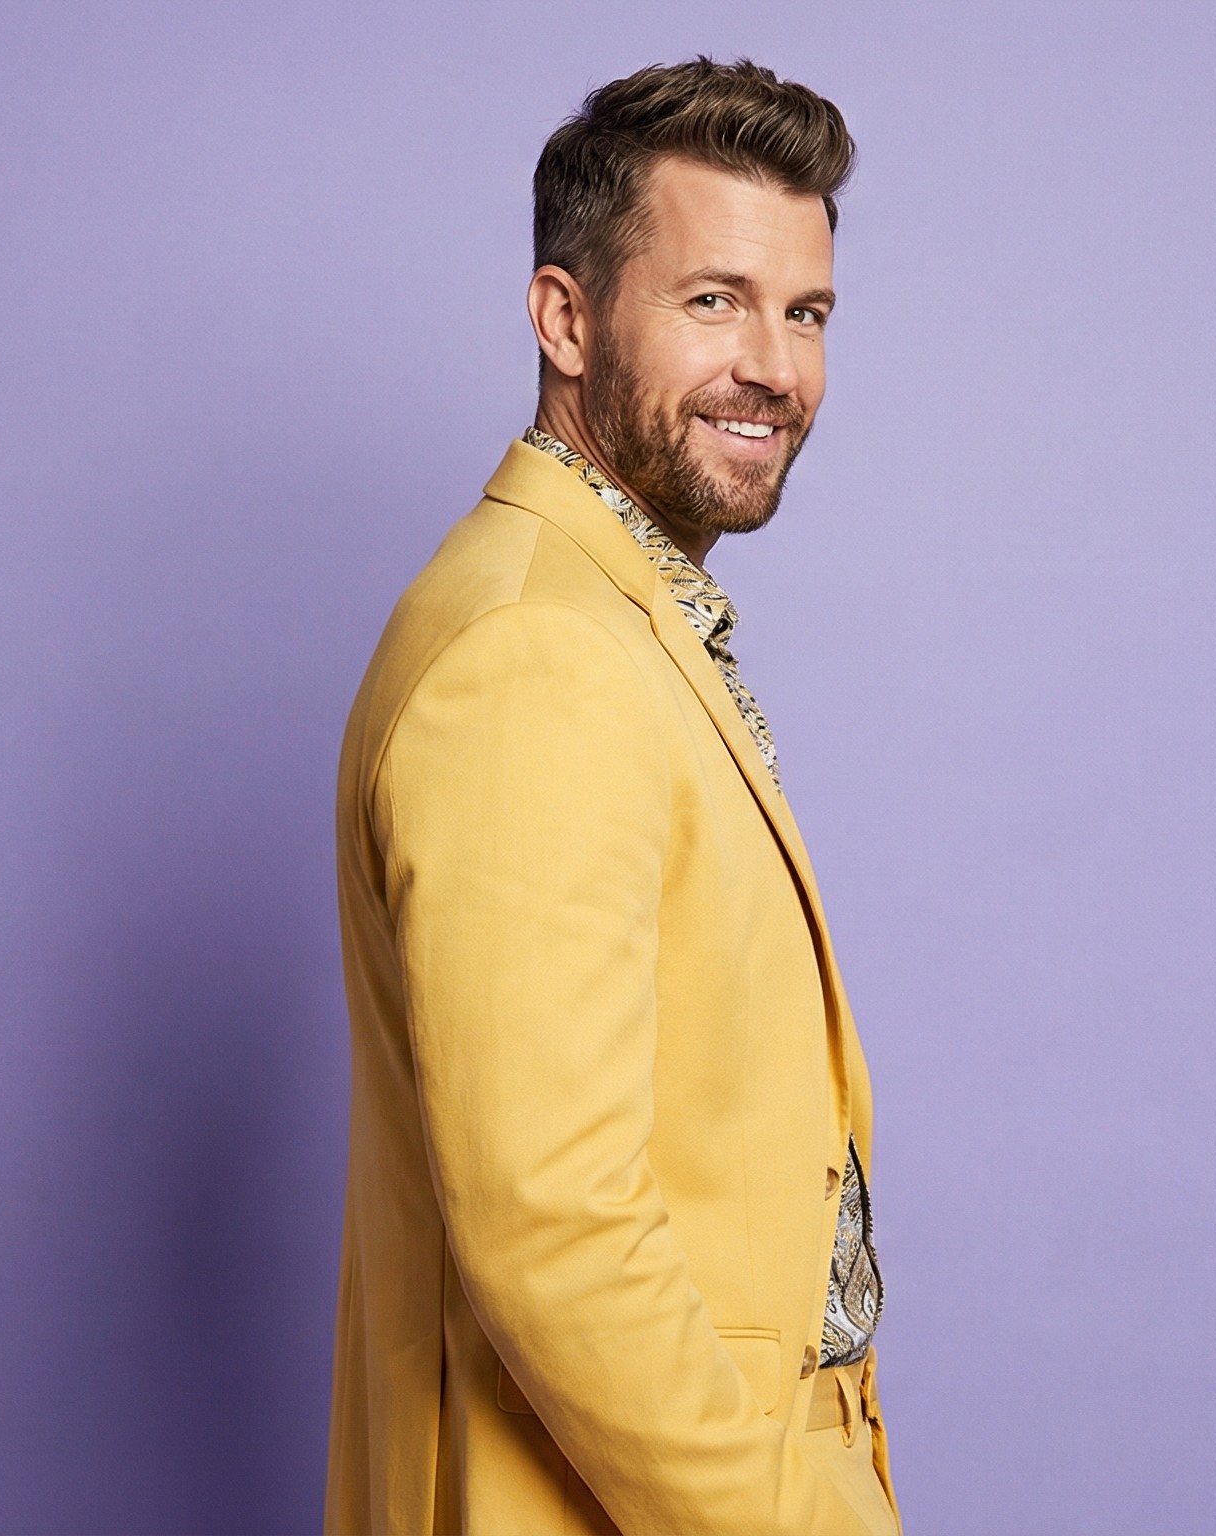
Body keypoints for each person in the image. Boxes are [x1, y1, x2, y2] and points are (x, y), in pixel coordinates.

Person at [326, 57, 894, 1535]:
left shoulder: (608, 619)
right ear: (565, 320)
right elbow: (556, 1230)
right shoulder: (536, 656)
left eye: (806, 313)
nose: (774, 366)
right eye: (714, 300)